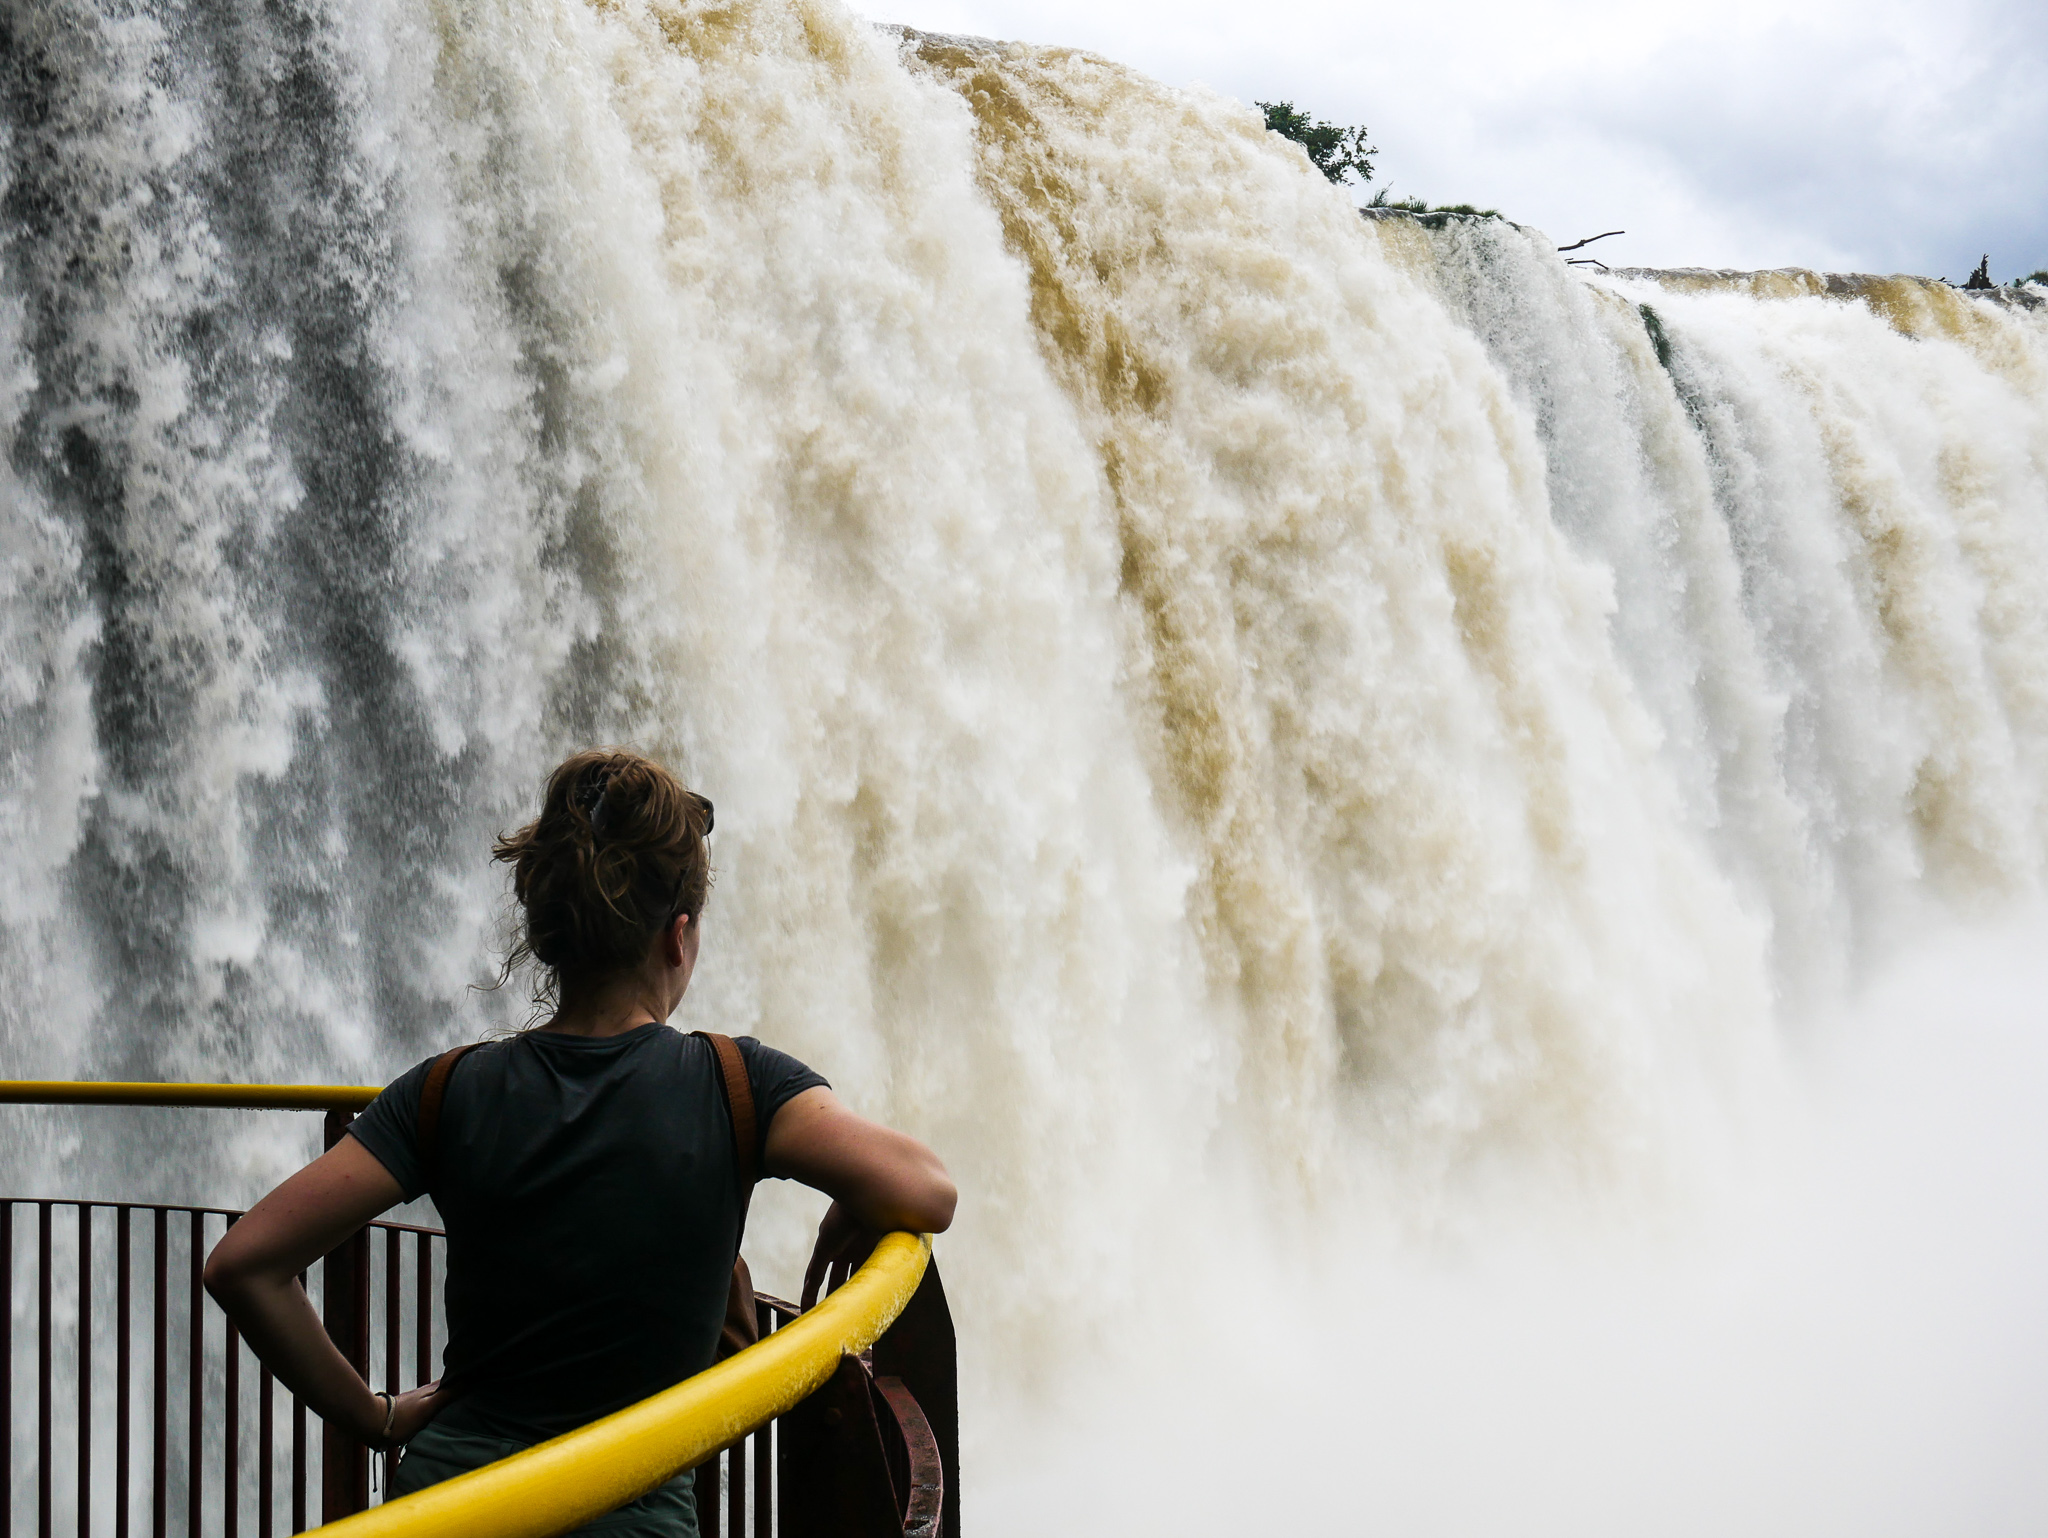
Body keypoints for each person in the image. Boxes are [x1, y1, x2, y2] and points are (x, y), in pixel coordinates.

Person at [204, 748, 957, 1536]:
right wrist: (853, 1197)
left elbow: (244, 1264)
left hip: (449, 1508)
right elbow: (928, 1188)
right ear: (679, 936)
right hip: (628, 1518)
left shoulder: (444, 1092)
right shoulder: (738, 1086)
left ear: (551, 934)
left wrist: (376, 1415)